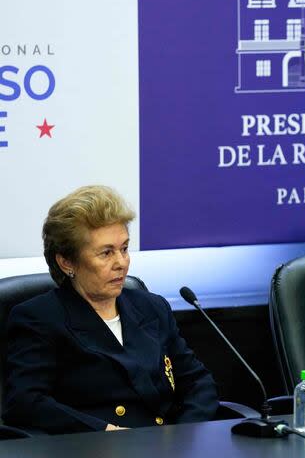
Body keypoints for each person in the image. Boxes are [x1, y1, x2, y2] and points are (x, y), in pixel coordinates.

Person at [3, 186, 219, 434]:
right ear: (66, 262)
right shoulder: (39, 318)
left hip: (168, 448)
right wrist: (103, 432)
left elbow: (197, 382)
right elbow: (26, 403)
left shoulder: (151, 307)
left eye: (124, 249)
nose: (121, 263)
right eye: (106, 253)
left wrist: (183, 435)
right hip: (94, 453)